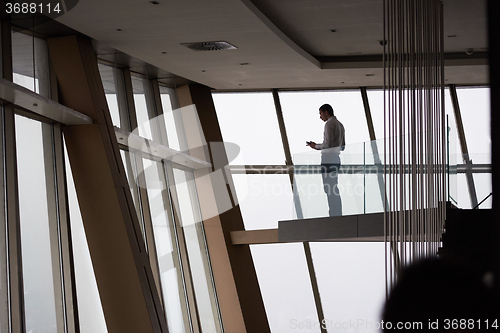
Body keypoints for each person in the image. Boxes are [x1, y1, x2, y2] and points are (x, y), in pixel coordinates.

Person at [307, 104, 345, 217]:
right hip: (336, 159)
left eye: (320, 113)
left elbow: (327, 144)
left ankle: (333, 214)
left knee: (329, 188)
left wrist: (316, 146)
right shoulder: (340, 125)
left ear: (326, 112)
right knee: (333, 187)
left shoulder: (329, 124)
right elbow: (342, 147)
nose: (320, 117)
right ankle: (337, 213)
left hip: (328, 160)